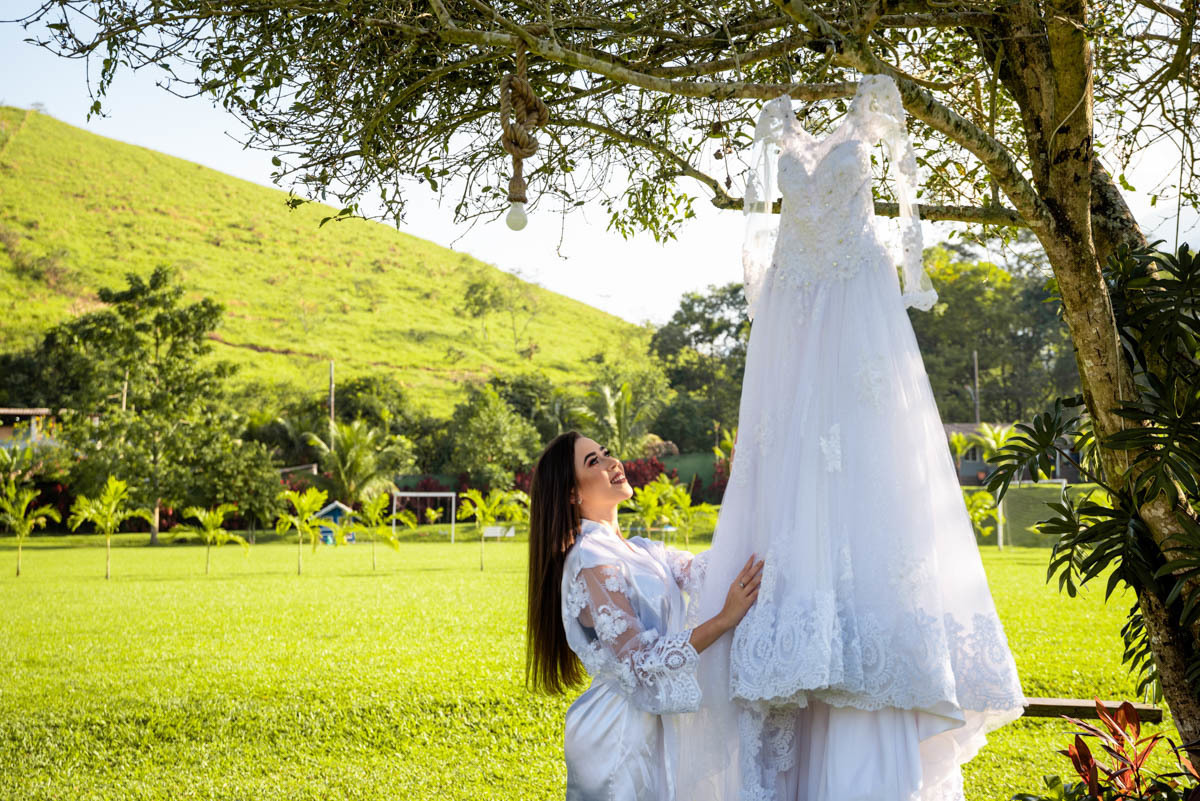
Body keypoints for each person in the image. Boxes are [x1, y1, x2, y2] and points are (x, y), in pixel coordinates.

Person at [677, 73, 1026, 801]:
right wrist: (766, 288)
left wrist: (912, 271)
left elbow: (903, 201)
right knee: (795, 483)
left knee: (871, 483)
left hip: (859, 311)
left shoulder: (874, 109)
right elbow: (755, 234)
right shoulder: (775, 122)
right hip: (794, 319)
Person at [526, 431, 764, 801]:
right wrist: (722, 620)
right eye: (594, 462)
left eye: (606, 454)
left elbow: (709, 572)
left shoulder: (639, 549)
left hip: (657, 725)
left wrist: (742, 486)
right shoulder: (590, 557)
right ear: (573, 493)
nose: (612, 463)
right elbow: (639, 661)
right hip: (619, 735)